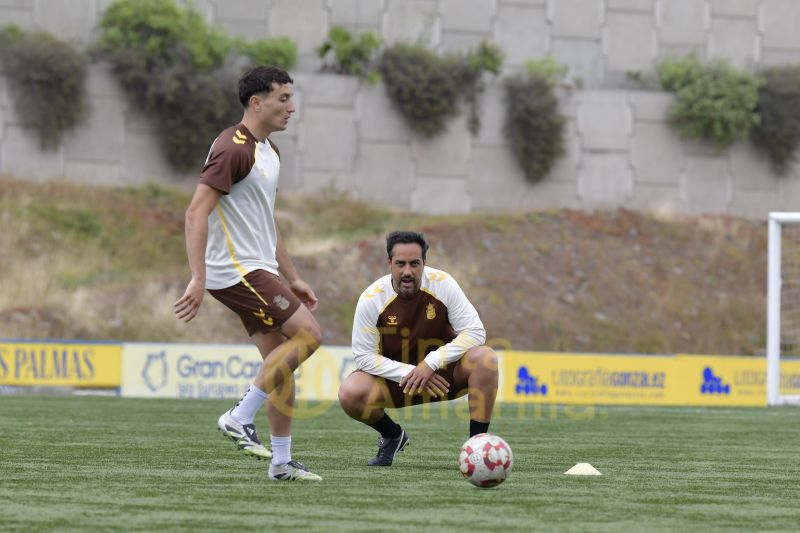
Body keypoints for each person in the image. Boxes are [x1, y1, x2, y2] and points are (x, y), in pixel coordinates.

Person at [174, 66, 322, 481]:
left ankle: (281, 462)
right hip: (236, 272)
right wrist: (198, 276)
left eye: (292, 98)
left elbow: (265, 220)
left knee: (281, 361)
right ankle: (239, 416)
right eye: (283, 99)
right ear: (256, 103)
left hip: (259, 269)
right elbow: (195, 211)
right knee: (310, 335)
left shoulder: (270, 152)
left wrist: (291, 276)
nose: (291, 107)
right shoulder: (232, 147)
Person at [338, 231, 499, 466]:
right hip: (400, 384)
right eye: (400, 264)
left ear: (424, 263)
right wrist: (410, 373)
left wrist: (430, 364)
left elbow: (475, 332)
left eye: (414, 264)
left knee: (486, 359)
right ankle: (393, 435)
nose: (407, 271)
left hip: (444, 378)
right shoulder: (371, 298)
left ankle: (476, 451)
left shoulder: (443, 284)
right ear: (389, 263)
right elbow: (364, 358)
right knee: (350, 393)